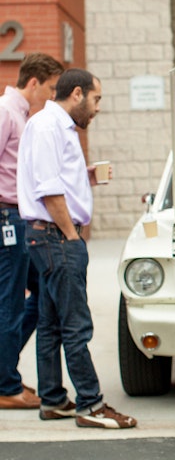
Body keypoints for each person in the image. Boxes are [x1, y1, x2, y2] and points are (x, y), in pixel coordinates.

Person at [17, 68, 136, 429]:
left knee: (51, 321)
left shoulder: (57, 126)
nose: (97, 109)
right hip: (56, 236)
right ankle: (91, 405)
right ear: (78, 93)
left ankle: (53, 400)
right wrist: (71, 235)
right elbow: (49, 189)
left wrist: (84, 177)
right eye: (97, 99)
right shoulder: (48, 126)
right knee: (76, 325)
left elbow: (57, 180)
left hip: (50, 235)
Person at [0, 53, 63, 410]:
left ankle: (3, 371)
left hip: (19, 218)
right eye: (52, 88)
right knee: (9, 302)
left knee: (42, 297)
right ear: (34, 82)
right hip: (7, 219)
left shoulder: (24, 116)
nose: (52, 96)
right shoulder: (6, 111)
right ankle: (6, 386)